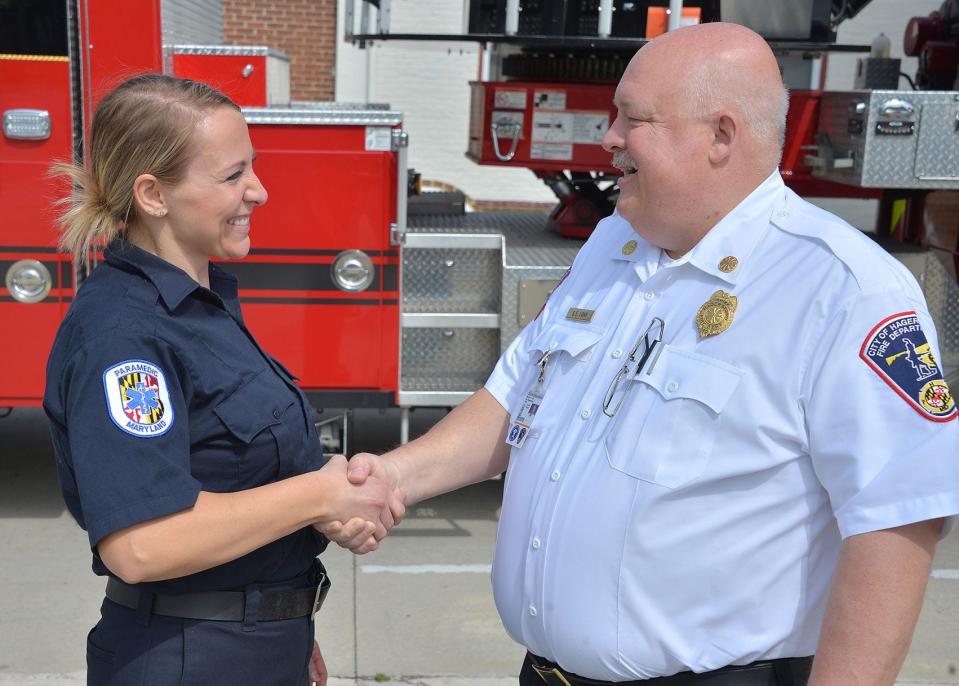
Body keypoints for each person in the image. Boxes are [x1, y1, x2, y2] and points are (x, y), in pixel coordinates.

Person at [329, 22, 959, 686]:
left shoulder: (842, 290)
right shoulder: (613, 244)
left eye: (632, 119)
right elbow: (514, 402)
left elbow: (895, 521)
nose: (608, 138)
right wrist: (394, 479)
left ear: (720, 135)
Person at [44, 74, 401, 686]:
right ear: (154, 194)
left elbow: (235, 479)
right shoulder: (125, 336)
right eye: (233, 175)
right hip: (190, 657)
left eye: (252, 168)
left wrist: (286, 622)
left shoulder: (202, 306)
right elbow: (142, 545)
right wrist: (320, 495)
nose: (258, 191)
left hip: (253, 647)